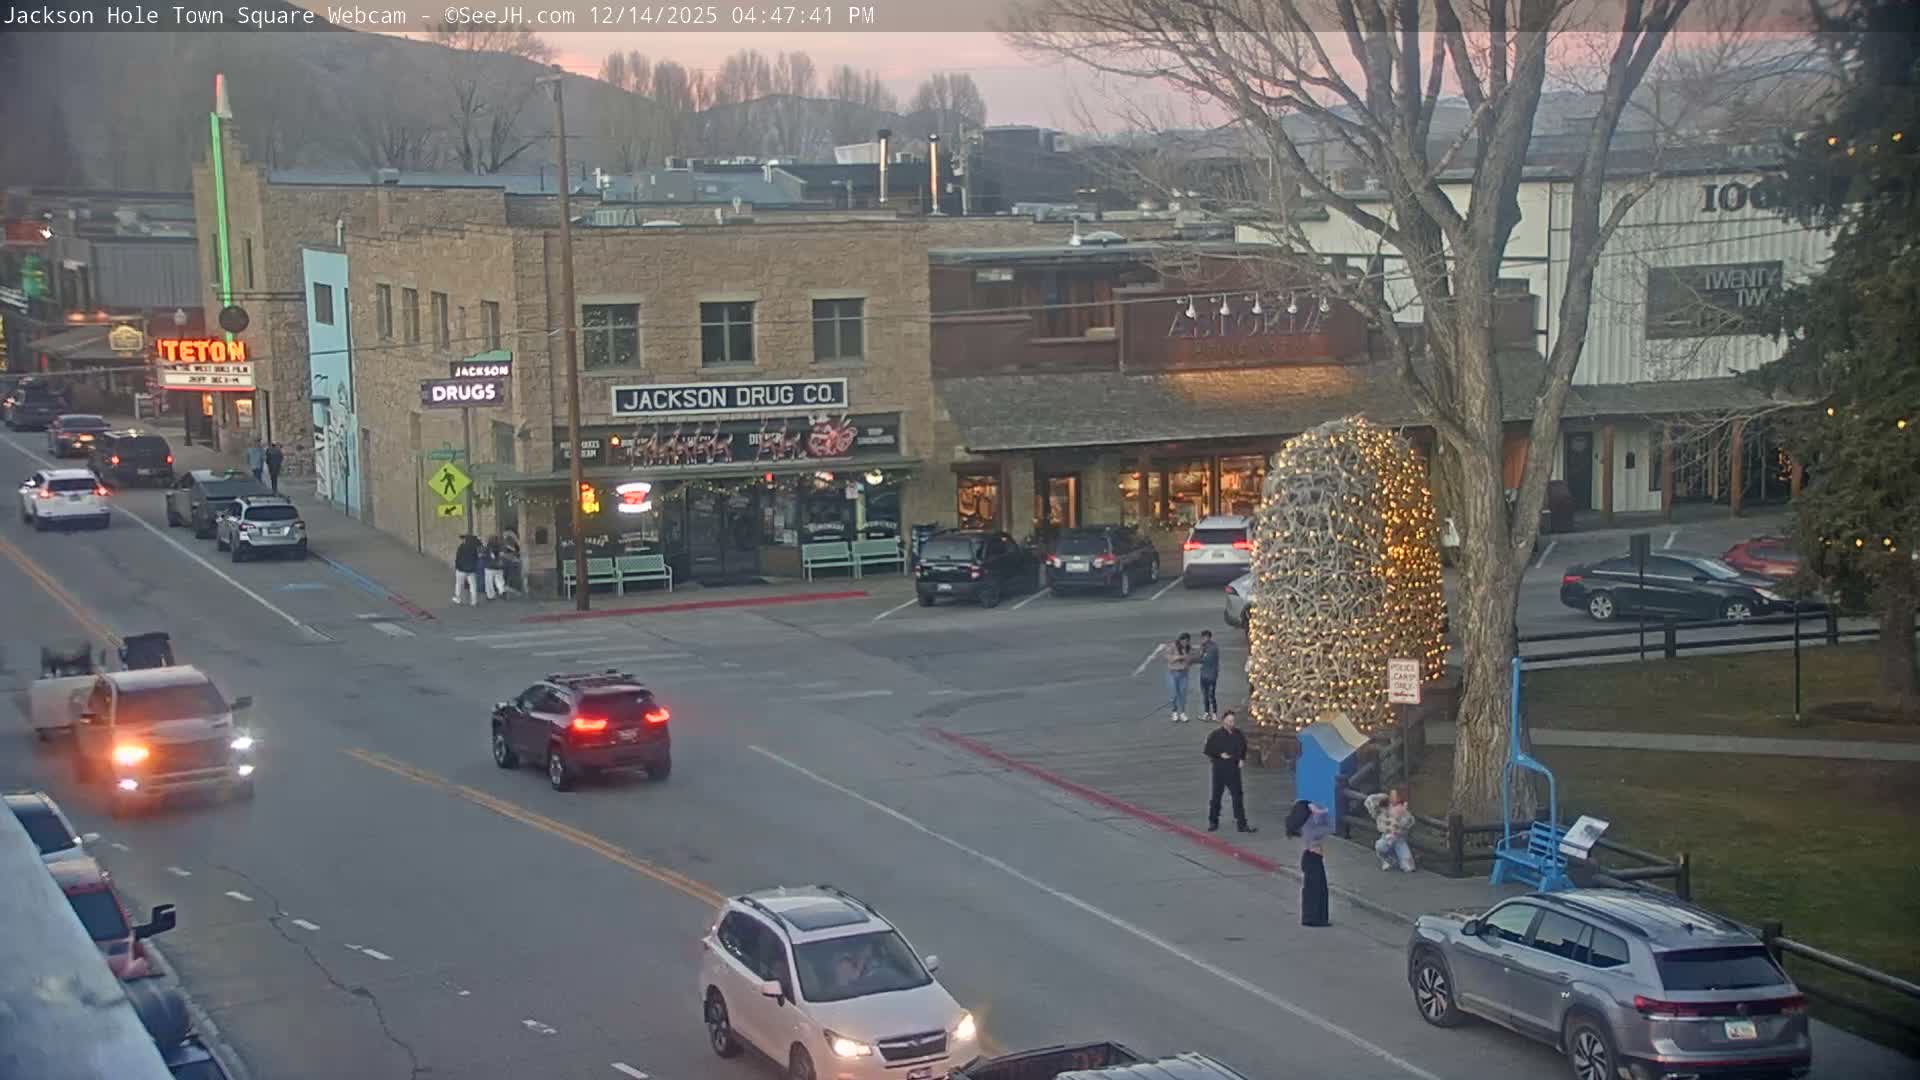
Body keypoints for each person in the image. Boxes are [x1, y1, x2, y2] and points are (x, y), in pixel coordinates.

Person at [1202, 709, 1256, 834]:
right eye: (1229, 721)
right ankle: (1213, 821)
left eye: (1233, 721)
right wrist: (1220, 754)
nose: (1232, 723)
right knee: (1216, 796)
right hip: (1220, 769)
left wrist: (1242, 759)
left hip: (1233, 769)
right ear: (1223, 721)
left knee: (1238, 796)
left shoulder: (1238, 734)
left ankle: (1242, 824)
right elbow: (1208, 750)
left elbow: (1243, 747)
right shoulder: (1215, 735)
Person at [1286, 799, 1334, 927]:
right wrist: (1321, 813)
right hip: (1312, 859)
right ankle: (1313, 918)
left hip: (1313, 858)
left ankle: (1317, 917)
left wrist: (1317, 812)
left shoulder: (1308, 824)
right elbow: (1328, 828)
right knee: (1315, 890)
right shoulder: (1307, 828)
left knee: (1318, 889)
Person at [1365, 787, 1416, 872]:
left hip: (1399, 839)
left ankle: (1399, 859)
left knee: (1409, 866)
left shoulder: (1403, 811)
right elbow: (1371, 801)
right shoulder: (1383, 810)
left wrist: (1401, 824)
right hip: (1387, 837)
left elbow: (1410, 822)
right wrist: (1389, 828)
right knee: (1381, 846)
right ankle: (1386, 859)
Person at [1165, 632, 1194, 723]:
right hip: (1173, 673)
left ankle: (1182, 712)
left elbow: (1191, 659)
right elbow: (1169, 658)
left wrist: (1189, 659)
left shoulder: (1188, 648)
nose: (1185, 643)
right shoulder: (1172, 646)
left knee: (1183, 694)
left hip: (1183, 673)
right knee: (1173, 694)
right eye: (1184, 641)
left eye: (1187, 641)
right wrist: (1180, 657)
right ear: (1180, 640)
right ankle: (1174, 711)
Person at [1196, 629, 1221, 722]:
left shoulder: (1213, 648)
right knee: (1205, 695)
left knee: (1211, 694)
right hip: (1204, 674)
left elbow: (1206, 659)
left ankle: (1214, 713)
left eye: (1204, 637)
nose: (1202, 639)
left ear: (1208, 637)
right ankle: (1207, 713)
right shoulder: (1204, 646)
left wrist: (1200, 656)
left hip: (1211, 674)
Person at [452, 534, 482, 606]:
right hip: (471, 570)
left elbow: (458, 558)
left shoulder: (462, 547)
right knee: (473, 585)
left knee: (459, 584)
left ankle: (458, 598)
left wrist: (457, 566)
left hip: (461, 569)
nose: (463, 540)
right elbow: (476, 559)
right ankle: (474, 601)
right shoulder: (474, 548)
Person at [483, 535, 509, 600]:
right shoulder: (501, 546)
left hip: (490, 567)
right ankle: (502, 591)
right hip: (499, 567)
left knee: (489, 582)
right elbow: (503, 555)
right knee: (500, 580)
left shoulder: (488, 547)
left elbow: (485, 555)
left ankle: (490, 596)